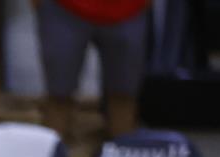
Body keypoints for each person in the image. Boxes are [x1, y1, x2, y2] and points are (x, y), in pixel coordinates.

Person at [35, 0, 149, 144]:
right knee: (58, 98)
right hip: (63, 8)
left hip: (129, 9)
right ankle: (52, 155)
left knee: (123, 98)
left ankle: (122, 155)